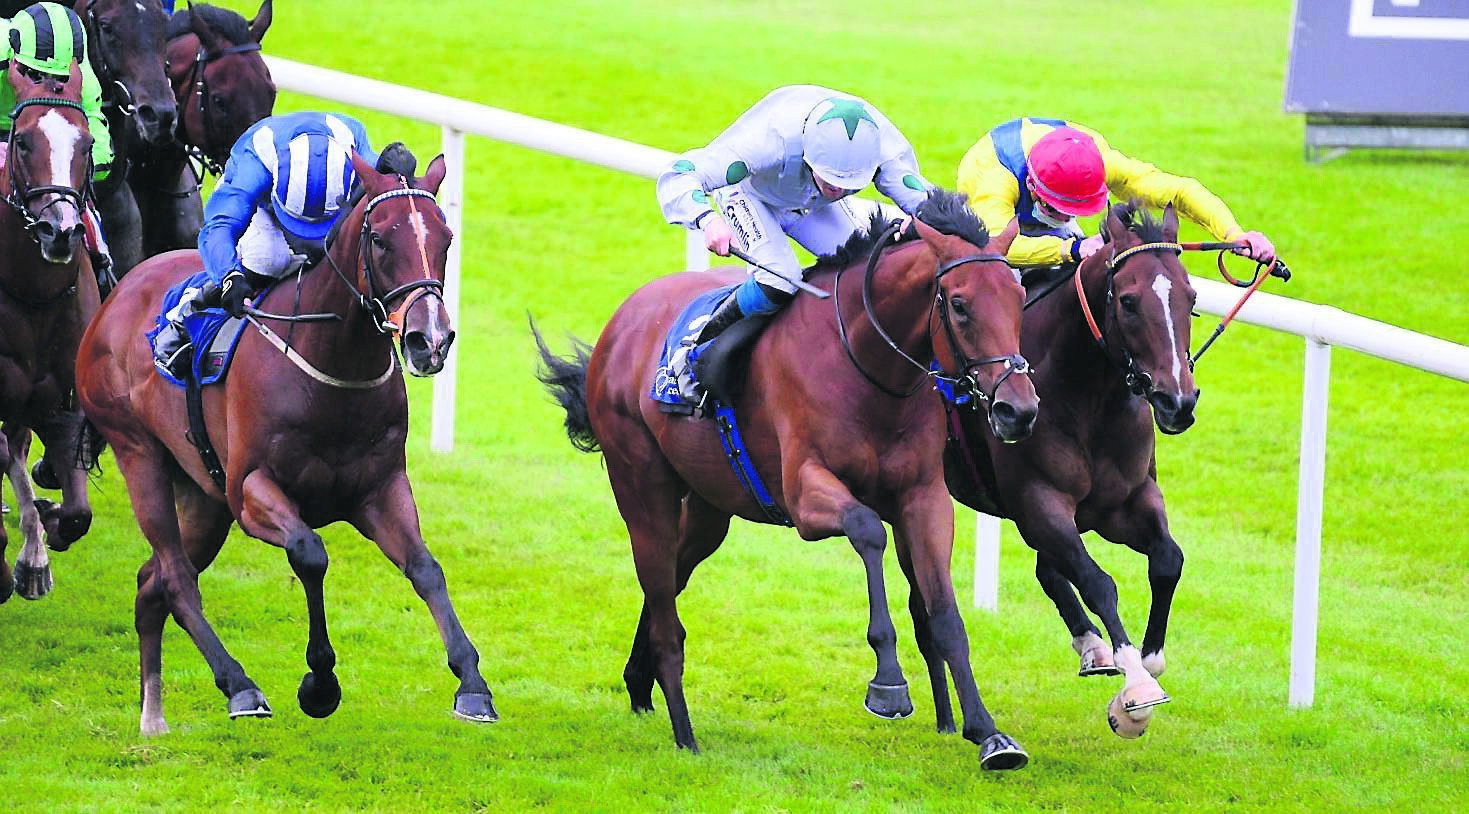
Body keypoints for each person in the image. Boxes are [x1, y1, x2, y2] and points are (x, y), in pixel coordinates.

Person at [656, 84, 935, 404]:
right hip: (749, 194)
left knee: (868, 272)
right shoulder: (767, 141)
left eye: (848, 185)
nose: (839, 190)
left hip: (808, 203)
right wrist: (707, 220)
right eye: (832, 181)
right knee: (779, 279)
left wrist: (924, 220)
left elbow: (927, 203)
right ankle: (696, 349)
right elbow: (679, 174)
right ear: (808, 157)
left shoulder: (880, 146)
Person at [152, 111, 379, 377]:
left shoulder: (355, 149)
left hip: (330, 207)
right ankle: (186, 314)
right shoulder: (254, 165)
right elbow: (218, 227)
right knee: (268, 258)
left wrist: (399, 176)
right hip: (264, 204)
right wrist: (230, 276)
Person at [956, 117, 1275, 269]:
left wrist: (1234, 233)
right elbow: (997, 247)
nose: (1066, 219)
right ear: (1031, 187)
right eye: (1058, 210)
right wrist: (1071, 249)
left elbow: (1179, 191)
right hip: (989, 215)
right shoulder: (994, 178)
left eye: (1074, 211)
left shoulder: (1098, 162)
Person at [1, 2, 116, 280]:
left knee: (83, 206)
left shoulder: (81, 73)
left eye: (59, 79)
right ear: (15, 60)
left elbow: (98, 141)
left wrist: (72, 163)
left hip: (47, 141)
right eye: (36, 76)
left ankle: (103, 271)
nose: (48, 87)